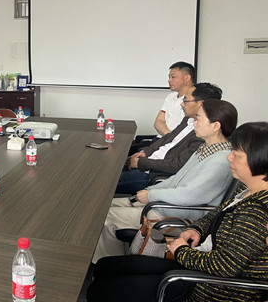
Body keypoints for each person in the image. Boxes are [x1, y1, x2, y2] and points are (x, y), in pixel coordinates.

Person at [78, 121, 268, 302]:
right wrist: (197, 230)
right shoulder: (248, 190)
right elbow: (215, 214)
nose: (228, 158)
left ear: (260, 161)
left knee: (100, 292)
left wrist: (180, 251)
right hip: (195, 268)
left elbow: (224, 266)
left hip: (205, 290)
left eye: (237, 155)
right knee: (105, 267)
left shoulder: (257, 212)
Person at [93, 99, 237, 262]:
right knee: (104, 207)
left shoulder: (221, 160)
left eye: (198, 118)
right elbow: (176, 179)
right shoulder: (205, 148)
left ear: (215, 126)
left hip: (181, 215)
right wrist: (150, 191)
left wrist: (151, 196)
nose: (194, 123)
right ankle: (115, 259)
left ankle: (105, 265)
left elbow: (190, 195)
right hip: (169, 204)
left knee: (105, 217)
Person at [116, 82, 223, 194]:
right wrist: (145, 152)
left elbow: (178, 165)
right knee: (112, 168)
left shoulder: (204, 132)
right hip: (148, 162)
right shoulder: (188, 119)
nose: (182, 104)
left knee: (107, 182)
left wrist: (141, 163)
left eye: (186, 100)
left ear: (201, 104)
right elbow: (169, 137)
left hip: (154, 174)